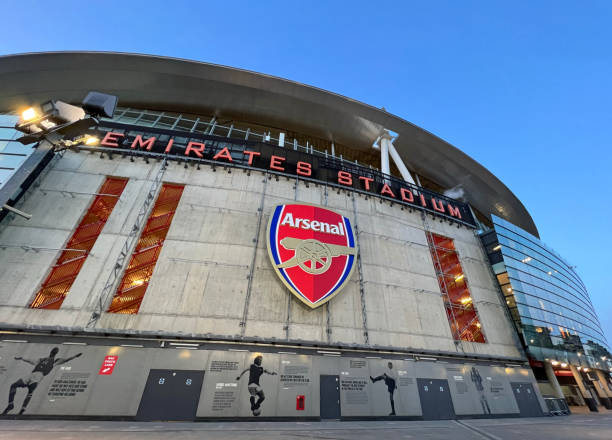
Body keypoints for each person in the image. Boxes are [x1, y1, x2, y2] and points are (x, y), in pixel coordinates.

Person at [2, 347, 82, 415]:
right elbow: (31, 360)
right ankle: (11, 404)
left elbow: (66, 360)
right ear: (51, 351)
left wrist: (75, 356)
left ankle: (23, 408)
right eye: (53, 350)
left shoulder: (56, 361)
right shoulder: (42, 359)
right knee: (14, 385)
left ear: (56, 353)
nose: (53, 352)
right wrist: (22, 358)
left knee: (30, 392)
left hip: (39, 376)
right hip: (32, 374)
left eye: (55, 351)